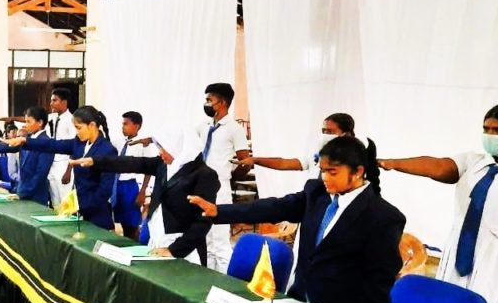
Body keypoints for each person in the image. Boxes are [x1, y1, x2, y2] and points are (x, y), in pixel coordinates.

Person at [190, 136, 402, 303]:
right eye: (322, 171)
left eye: (332, 172)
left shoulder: (383, 217)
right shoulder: (317, 194)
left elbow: (378, 284)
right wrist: (219, 211)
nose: (325, 178)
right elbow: (275, 207)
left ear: (357, 172)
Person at [378, 103, 498, 303]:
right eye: (486, 129)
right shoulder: (475, 162)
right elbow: (440, 166)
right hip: (460, 254)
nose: (491, 135)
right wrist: (393, 164)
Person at [71, 128, 218, 265]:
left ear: (178, 147)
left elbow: (202, 222)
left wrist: (174, 250)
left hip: (184, 249)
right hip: (157, 240)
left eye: (164, 148)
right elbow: (133, 163)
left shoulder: (204, 175)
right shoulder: (163, 165)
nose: (160, 152)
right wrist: (95, 161)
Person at [4, 106, 117, 229]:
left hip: (96, 215)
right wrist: (25, 141)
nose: (77, 132)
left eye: (79, 128)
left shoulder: (107, 150)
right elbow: (52, 144)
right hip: (78, 212)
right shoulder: (79, 143)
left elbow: (104, 190)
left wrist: (80, 207)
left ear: (92, 125)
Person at [197, 83, 250, 273]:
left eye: (209, 100)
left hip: (220, 188)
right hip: (201, 187)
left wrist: (228, 177)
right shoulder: (204, 126)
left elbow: (245, 162)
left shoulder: (234, 129)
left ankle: (225, 282)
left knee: (220, 242)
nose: (206, 103)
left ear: (223, 103)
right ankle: (208, 278)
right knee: (206, 240)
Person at [236, 113, 357, 177]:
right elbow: (284, 163)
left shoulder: (355, 160)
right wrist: (255, 160)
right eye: (323, 131)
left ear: (345, 134)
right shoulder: (317, 156)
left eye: (329, 132)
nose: (325, 135)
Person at [112, 111, 158, 240]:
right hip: (116, 184)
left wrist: (142, 191)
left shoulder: (143, 144)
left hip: (130, 185)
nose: (122, 127)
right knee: (119, 220)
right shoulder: (118, 141)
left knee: (131, 223)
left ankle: (134, 244)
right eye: (122, 124)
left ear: (137, 126)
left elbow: (149, 170)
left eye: (126, 124)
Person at [47, 88, 77, 209]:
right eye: (51, 100)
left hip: (64, 164)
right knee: (55, 201)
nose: (51, 103)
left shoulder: (71, 120)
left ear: (64, 102)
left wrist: (69, 170)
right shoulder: (52, 117)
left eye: (55, 100)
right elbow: (35, 118)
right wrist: (12, 119)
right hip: (52, 163)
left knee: (65, 201)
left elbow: (74, 146)